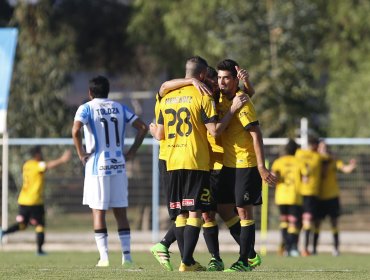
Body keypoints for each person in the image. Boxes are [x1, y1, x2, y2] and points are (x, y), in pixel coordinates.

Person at [150, 56, 245, 272]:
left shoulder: (166, 97)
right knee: (196, 211)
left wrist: (153, 130)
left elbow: (160, 133)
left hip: (171, 160)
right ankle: (187, 261)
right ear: (202, 75)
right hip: (196, 159)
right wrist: (232, 111)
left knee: (184, 212)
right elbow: (214, 130)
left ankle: (185, 257)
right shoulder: (203, 96)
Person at [71, 75, 148, 267]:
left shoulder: (86, 108)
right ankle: (127, 257)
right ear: (108, 91)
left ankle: (104, 258)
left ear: (90, 93)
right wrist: (131, 153)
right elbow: (143, 127)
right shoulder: (119, 107)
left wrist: (81, 154)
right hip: (119, 165)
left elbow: (75, 131)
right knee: (120, 212)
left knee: (99, 212)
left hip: (97, 166)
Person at [216, 59, 277, 272]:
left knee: (243, 211)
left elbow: (256, 134)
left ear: (234, 81)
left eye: (226, 78)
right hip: (228, 164)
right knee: (223, 208)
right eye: (219, 77)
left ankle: (243, 261)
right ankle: (250, 252)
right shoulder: (223, 97)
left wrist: (261, 166)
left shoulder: (241, 101)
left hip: (246, 163)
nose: (222, 82)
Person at [0, 146, 71, 255]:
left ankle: (3, 232)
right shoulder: (37, 165)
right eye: (40, 153)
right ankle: (39, 250)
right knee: (40, 225)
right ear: (37, 154)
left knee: (23, 225)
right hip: (34, 201)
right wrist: (62, 159)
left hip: (23, 200)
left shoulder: (27, 165)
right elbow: (48, 165)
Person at [313, 140, 356, 256]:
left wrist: (351, 166)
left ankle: (336, 249)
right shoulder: (315, 159)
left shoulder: (334, 160)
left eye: (326, 147)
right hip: (319, 196)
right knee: (317, 223)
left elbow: (345, 169)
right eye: (322, 147)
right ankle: (314, 249)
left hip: (332, 196)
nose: (324, 149)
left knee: (334, 223)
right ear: (318, 149)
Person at [271, 139, 305, 257]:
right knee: (293, 223)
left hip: (280, 196)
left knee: (284, 222)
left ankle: (285, 247)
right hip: (294, 196)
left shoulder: (278, 162)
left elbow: (274, 176)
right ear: (296, 150)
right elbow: (306, 177)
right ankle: (292, 248)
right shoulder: (299, 162)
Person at [295, 136, 322, 256]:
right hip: (310, 192)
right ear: (316, 145)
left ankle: (290, 247)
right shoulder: (317, 157)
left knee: (294, 221)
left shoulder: (299, 153)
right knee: (307, 221)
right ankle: (304, 249)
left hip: (298, 192)